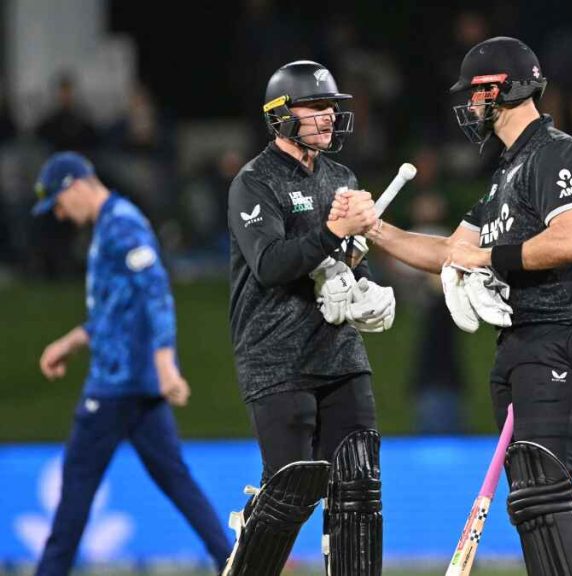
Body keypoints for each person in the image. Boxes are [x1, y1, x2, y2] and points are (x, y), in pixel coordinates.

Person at [342, 36, 572, 575]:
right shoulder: (506, 175)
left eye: (474, 93)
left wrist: (486, 256)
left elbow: (570, 240)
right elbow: (448, 251)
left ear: (500, 89)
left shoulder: (555, 152)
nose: (468, 106)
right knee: (531, 503)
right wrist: (373, 230)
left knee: (541, 493)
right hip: (519, 346)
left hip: (562, 337)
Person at [222, 60, 391, 575]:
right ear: (280, 116)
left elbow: (348, 253)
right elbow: (272, 265)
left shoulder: (341, 177)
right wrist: (334, 233)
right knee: (293, 485)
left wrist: (360, 283)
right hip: (276, 354)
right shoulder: (254, 183)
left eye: (332, 109)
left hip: (339, 351)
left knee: (359, 487)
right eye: (316, 108)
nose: (328, 118)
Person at [30, 152, 230, 575]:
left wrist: (165, 365)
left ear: (75, 185)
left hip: (116, 384)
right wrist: (72, 341)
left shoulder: (121, 224)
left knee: (75, 493)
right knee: (176, 481)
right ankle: (235, 562)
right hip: (134, 384)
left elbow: (155, 291)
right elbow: (117, 306)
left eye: (59, 205)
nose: (61, 216)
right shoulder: (111, 223)